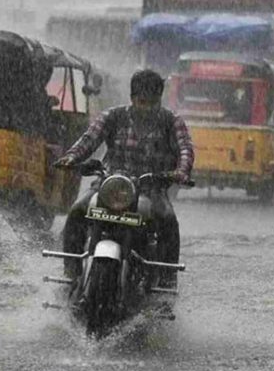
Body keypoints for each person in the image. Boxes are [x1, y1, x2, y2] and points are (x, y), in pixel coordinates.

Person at [54, 69, 194, 287]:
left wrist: (181, 171)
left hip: (151, 189)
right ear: (132, 98)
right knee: (76, 213)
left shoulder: (172, 121)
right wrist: (71, 157)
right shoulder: (112, 116)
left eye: (152, 102)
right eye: (141, 101)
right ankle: (70, 272)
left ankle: (167, 282)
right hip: (109, 184)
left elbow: (185, 149)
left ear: (160, 99)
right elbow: (88, 141)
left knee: (167, 221)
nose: (146, 107)